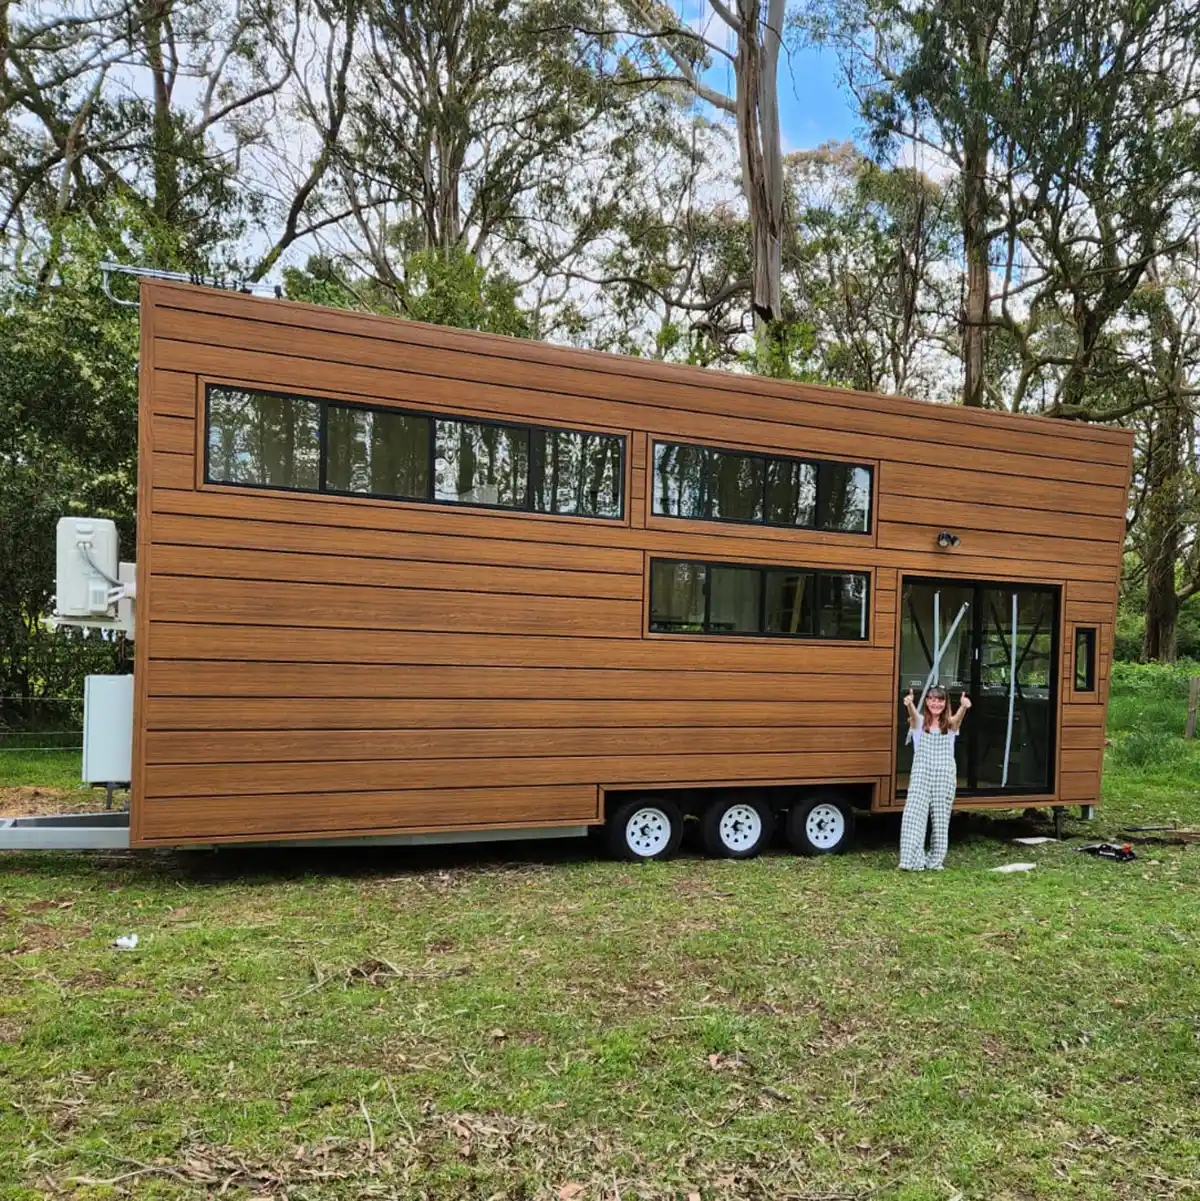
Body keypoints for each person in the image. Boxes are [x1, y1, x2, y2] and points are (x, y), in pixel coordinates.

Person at [899, 684, 971, 871]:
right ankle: (911, 860)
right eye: (932, 699)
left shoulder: (950, 725)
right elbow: (913, 717)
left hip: (944, 774)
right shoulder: (919, 722)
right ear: (927, 701)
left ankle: (935, 860)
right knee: (913, 815)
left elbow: (957, 721)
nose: (935, 703)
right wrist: (909, 704)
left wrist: (964, 706)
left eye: (940, 699)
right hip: (921, 774)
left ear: (945, 703)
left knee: (940, 819)